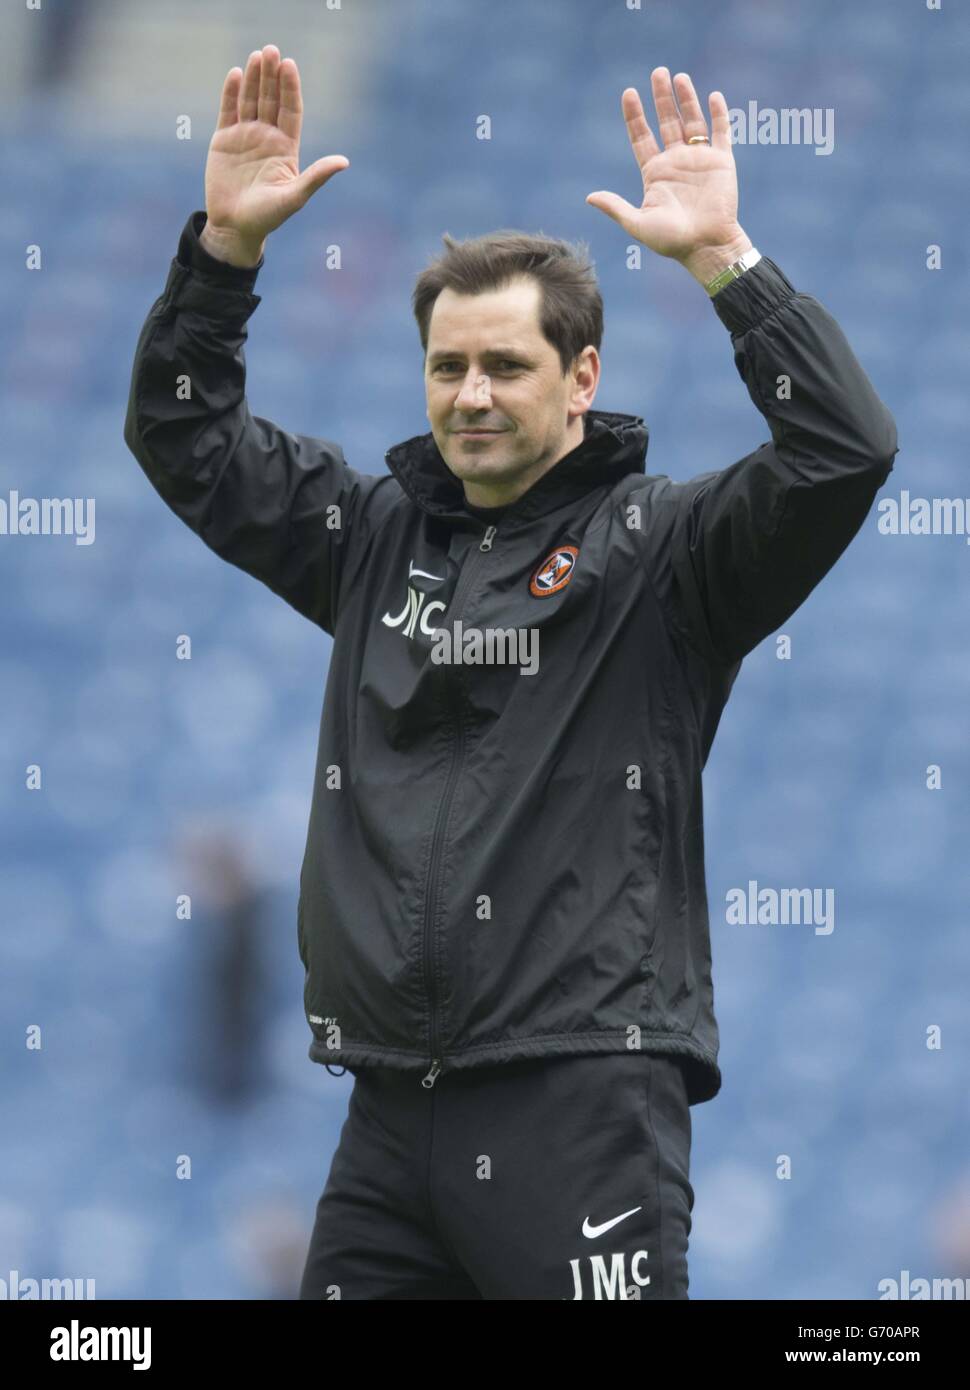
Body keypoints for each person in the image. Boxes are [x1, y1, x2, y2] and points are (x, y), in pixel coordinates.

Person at [123, 46, 898, 1300]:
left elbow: (841, 451)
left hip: (581, 1101)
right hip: (389, 1111)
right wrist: (221, 258)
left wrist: (724, 266)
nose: (470, 395)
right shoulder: (368, 537)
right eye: (446, 367)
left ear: (583, 377)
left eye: (506, 366)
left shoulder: (669, 552)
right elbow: (183, 431)